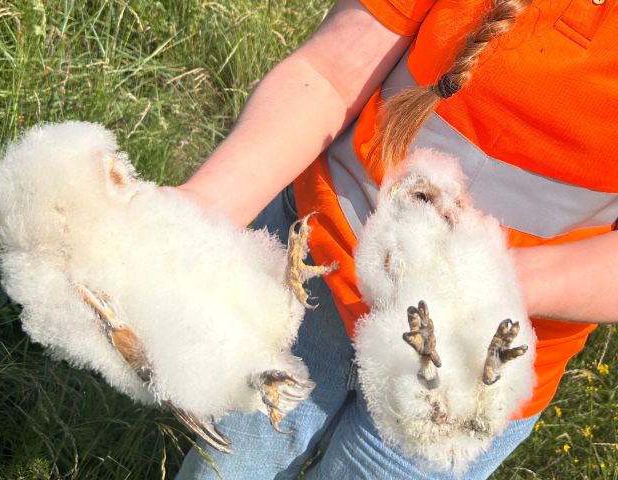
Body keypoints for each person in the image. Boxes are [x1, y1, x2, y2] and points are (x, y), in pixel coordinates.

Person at [173, 0, 618, 478]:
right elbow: (329, 74)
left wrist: (485, 289)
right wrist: (196, 210)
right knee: (227, 465)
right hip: (310, 278)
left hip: (462, 376)